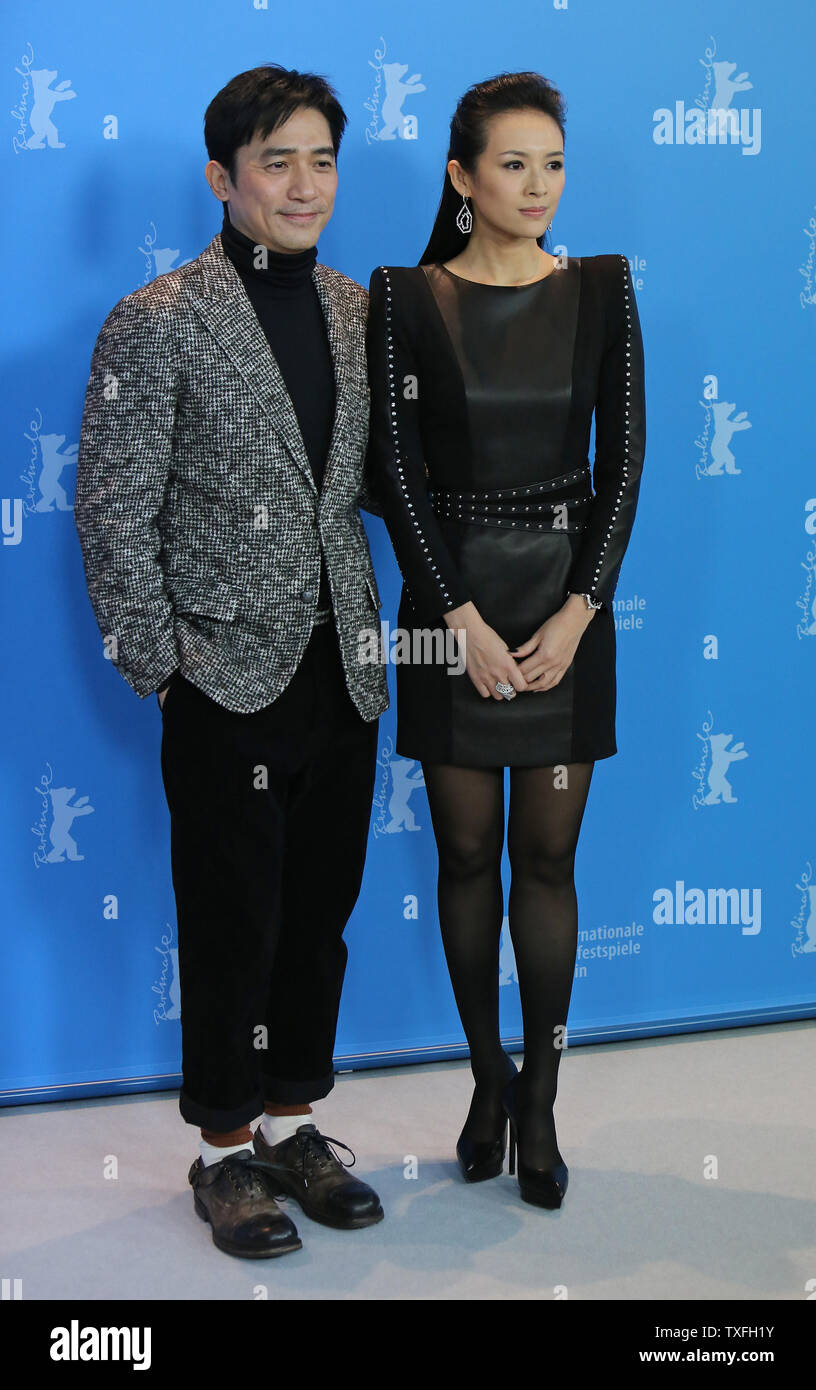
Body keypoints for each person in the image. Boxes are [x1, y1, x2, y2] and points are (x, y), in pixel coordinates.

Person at [74, 65, 389, 1259]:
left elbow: (369, 488)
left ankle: (297, 1125)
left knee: (319, 914)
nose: (302, 184)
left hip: (344, 665)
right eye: (276, 162)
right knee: (231, 919)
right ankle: (221, 1153)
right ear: (223, 178)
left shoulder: (362, 315)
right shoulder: (157, 319)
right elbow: (110, 511)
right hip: (223, 678)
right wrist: (165, 665)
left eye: (319, 159)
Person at [365, 71, 646, 1209]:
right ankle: (483, 1078)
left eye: (553, 162)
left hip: (566, 614)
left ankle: (538, 1098)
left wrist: (577, 613)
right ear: (460, 177)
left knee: (545, 860)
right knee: (464, 855)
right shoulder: (401, 295)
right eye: (512, 163)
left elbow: (622, 465)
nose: (536, 185)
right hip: (445, 618)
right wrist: (459, 621)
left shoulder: (600, 289)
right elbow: (394, 473)